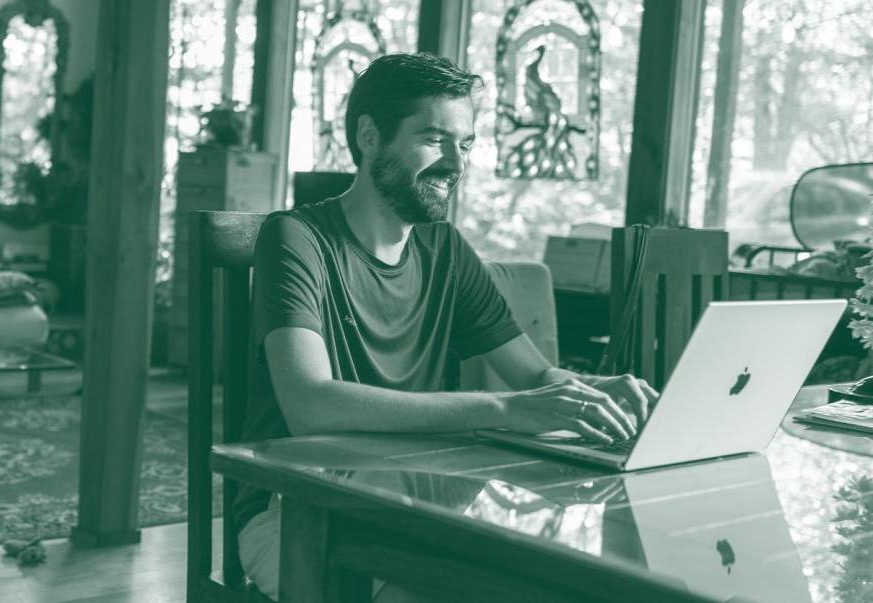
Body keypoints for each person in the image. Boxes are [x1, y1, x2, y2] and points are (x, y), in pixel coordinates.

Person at [235, 53, 658, 602]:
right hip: (298, 509)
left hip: (419, 498)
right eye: (435, 138)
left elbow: (536, 376)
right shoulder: (296, 238)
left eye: (467, 143)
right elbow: (308, 403)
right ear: (369, 136)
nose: (456, 163)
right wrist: (504, 409)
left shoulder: (447, 250)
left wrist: (597, 394)